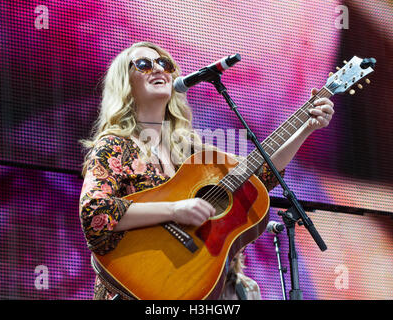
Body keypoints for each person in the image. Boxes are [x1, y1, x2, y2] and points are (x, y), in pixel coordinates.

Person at [79, 41, 335, 300]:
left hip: (189, 282)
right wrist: (174, 210)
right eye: (144, 64)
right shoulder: (115, 145)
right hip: (131, 288)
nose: (158, 69)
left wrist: (306, 128)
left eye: (164, 64)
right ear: (125, 83)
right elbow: (95, 213)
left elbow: (257, 179)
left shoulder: (193, 152)